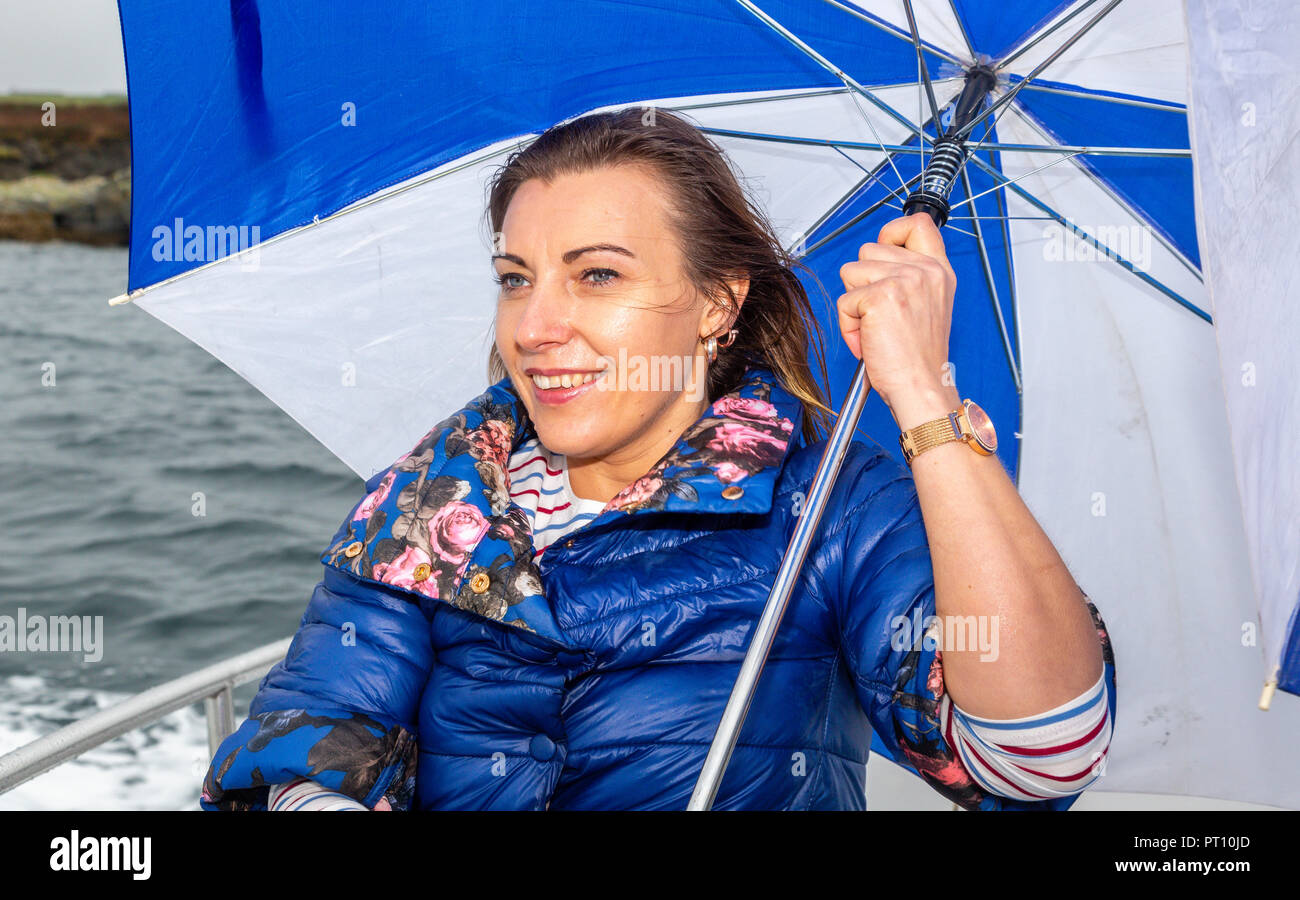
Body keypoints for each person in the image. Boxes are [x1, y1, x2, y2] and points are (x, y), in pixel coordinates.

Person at [201, 107, 1114, 811]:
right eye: (516, 277)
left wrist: (924, 396)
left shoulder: (833, 504)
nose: (534, 326)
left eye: (597, 275)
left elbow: (1035, 758)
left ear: (717, 302)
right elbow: (317, 723)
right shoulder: (431, 503)